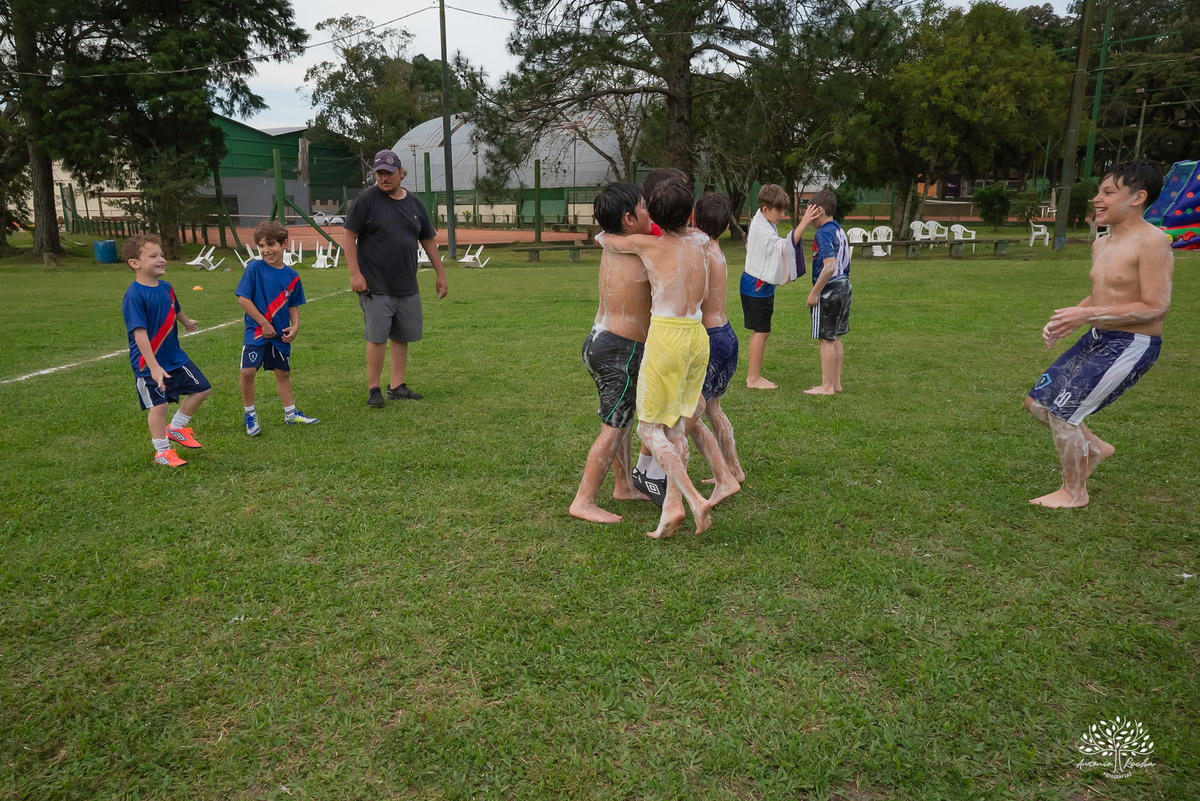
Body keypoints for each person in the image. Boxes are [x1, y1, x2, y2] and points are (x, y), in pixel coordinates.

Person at [1025, 160, 1172, 508]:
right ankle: (1095, 449)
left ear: (1138, 197)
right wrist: (1072, 318)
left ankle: (1074, 492)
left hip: (1131, 344)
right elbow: (1106, 292)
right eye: (1098, 191)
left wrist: (1087, 314)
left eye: (1108, 192)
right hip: (1098, 338)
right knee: (1037, 404)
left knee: (1064, 413)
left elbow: (1155, 306)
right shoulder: (1101, 244)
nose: (1097, 198)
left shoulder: (1153, 242)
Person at [599, 180, 713, 539]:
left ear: (655, 215)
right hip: (698, 336)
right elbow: (693, 232)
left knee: (648, 427)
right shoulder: (701, 240)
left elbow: (605, 239)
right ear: (689, 213)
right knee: (677, 424)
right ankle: (672, 507)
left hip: (667, 337)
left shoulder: (648, 245)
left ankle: (694, 499)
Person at [569, 183, 654, 523]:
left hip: (600, 341)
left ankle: (623, 485)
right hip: (620, 349)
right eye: (645, 207)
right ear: (629, 218)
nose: (651, 212)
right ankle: (583, 500)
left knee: (622, 416)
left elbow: (601, 237)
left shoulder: (610, 241)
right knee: (614, 426)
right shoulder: (641, 247)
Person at [344, 149, 449, 408]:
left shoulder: (415, 204)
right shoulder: (366, 200)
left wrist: (441, 273)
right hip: (375, 285)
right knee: (377, 336)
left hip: (406, 284)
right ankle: (374, 389)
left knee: (402, 336)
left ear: (401, 173)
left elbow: (428, 240)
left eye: (389, 173)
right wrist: (355, 273)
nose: (384, 178)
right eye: (379, 173)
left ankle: (397, 386)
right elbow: (349, 236)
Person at [120, 233, 212, 467]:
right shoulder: (134, 295)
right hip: (149, 364)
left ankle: (177, 427)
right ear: (135, 263)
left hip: (175, 357)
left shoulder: (167, 288)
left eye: (161, 254)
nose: (161, 259)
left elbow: (175, 308)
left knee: (202, 388)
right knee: (159, 406)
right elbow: (139, 333)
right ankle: (162, 451)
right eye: (153, 256)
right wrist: (153, 367)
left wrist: (186, 321)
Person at [236, 221, 319, 436]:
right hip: (256, 331)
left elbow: (293, 304)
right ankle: (250, 414)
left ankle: (290, 414)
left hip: (280, 333)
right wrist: (263, 323)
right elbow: (243, 299)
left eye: (271, 244)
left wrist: (296, 326)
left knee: (283, 373)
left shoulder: (293, 276)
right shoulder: (254, 268)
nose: (266, 250)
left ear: (284, 244)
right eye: (261, 246)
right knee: (247, 372)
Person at [691, 192, 746, 489]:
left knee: (692, 412)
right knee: (714, 409)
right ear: (726, 228)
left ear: (694, 219)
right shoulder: (718, 250)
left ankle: (724, 474)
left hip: (711, 338)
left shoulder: (702, 254)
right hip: (727, 334)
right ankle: (733, 468)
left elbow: (696, 299)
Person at [741, 184, 816, 389]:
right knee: (761, 331)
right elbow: (783, 247)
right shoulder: (761, 227)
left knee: (761, 330)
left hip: (754, 284)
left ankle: (754, 376)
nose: (782, 215)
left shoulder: (761, 219)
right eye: (779, 211)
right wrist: (805, 223)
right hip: (757, 286)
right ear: (766, 209)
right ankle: (753, 378)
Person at [804, 190, 852, 395]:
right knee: (836, 337)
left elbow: (829, 266)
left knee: (826, 339)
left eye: (810, 211)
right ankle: (836, 383)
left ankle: (827, 386)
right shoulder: (839, 230)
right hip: (845, 286)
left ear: (820, 210)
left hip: (830, 290)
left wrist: (814, 292)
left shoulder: (822, 233)